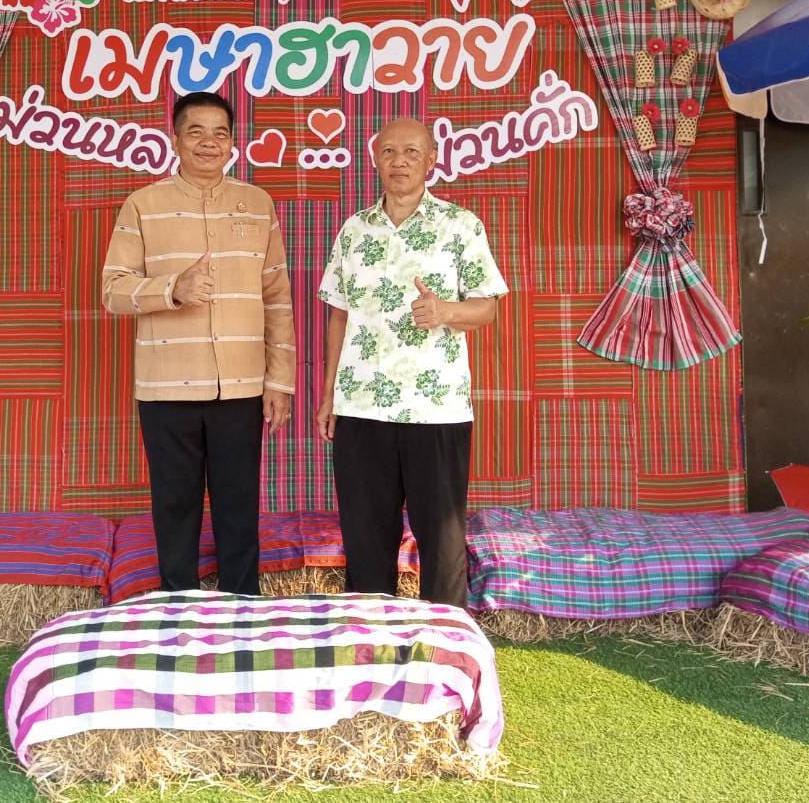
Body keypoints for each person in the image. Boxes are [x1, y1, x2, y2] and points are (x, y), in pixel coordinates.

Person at [100, 91, 295, 595]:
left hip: (241, 385)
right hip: (166, 387)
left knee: (238, 504)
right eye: (196, 132)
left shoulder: (258, 205)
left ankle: (243, 605)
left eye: (220, 134)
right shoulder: (143, 204)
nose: (209, 143)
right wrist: (172, 289)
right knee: (175, 504)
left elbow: (277, 297)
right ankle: (177, 605)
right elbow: (112, 290)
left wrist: (280, 381)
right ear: (175, 140)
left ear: (232, 144)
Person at [316, 118, 508, 608]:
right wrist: (329, 394)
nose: (399, 161)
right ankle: (370, 631)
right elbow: (338, 315)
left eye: (411, 152)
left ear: (431, 160)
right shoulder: (355, 230)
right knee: (365, 535)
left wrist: (445, 311)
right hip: (360, 405)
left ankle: (444, 636)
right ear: (375, 159)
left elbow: (487, 306)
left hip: (435, 407)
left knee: (441, 539)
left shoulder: (460, 225)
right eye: (389, 152)